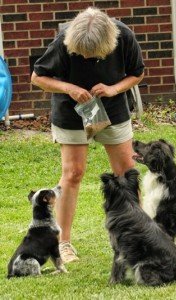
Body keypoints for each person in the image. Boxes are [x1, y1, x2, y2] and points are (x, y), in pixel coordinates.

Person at [31, 7, 144, 263]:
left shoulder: (124, 36)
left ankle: (139, 234)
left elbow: (137, 73)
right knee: (73, 173)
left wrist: (114, 88)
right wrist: (69, 88)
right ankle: (63, 243)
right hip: (72, 113)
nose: (87, 57)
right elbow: (38, 77)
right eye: (82, 53)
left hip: (113, 110)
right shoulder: (64, 40)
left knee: (127, 171)